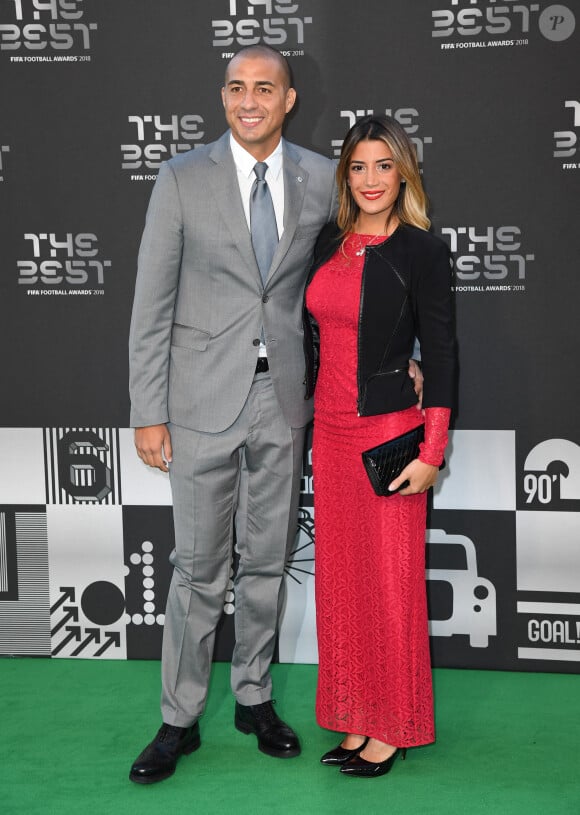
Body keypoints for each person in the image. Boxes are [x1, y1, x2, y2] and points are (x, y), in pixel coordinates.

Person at [127, 45, 339, 784]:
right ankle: (179, 717)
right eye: (236, 87)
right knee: (196, 570)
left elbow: (351, 274)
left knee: (268, 562)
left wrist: (399, 351)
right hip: (196, 403)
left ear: (289, 99)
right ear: (224, 97)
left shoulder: (320, 178)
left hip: (282, 401)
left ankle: (254, 694)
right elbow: (150, 306)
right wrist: (148, 410)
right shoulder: (181, 177)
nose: (249, 100)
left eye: (265, 88)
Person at [303, 115, 456, 779]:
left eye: (383, 166)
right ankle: (358, 716)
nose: (371, 179)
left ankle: (393, 726)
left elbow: (444, 354)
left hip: (390, 435)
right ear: (346, 174)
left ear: (403, 173)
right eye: (359, 167)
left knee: (390, 584)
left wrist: (433, 449)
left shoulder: (421, 250)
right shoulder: (327, 241)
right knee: (344, 583)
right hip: (328, 436)